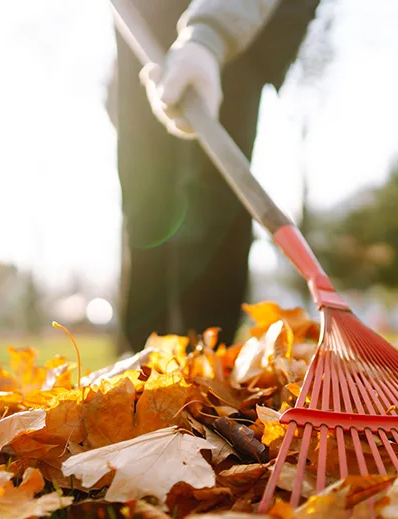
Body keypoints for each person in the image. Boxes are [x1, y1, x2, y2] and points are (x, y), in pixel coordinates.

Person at [109, 0, 319, 354]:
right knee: (146, 193)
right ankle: (144, 361)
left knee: (215, 196)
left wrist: (209, 36)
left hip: (245, 23)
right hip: (141, 19)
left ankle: (211, 361)